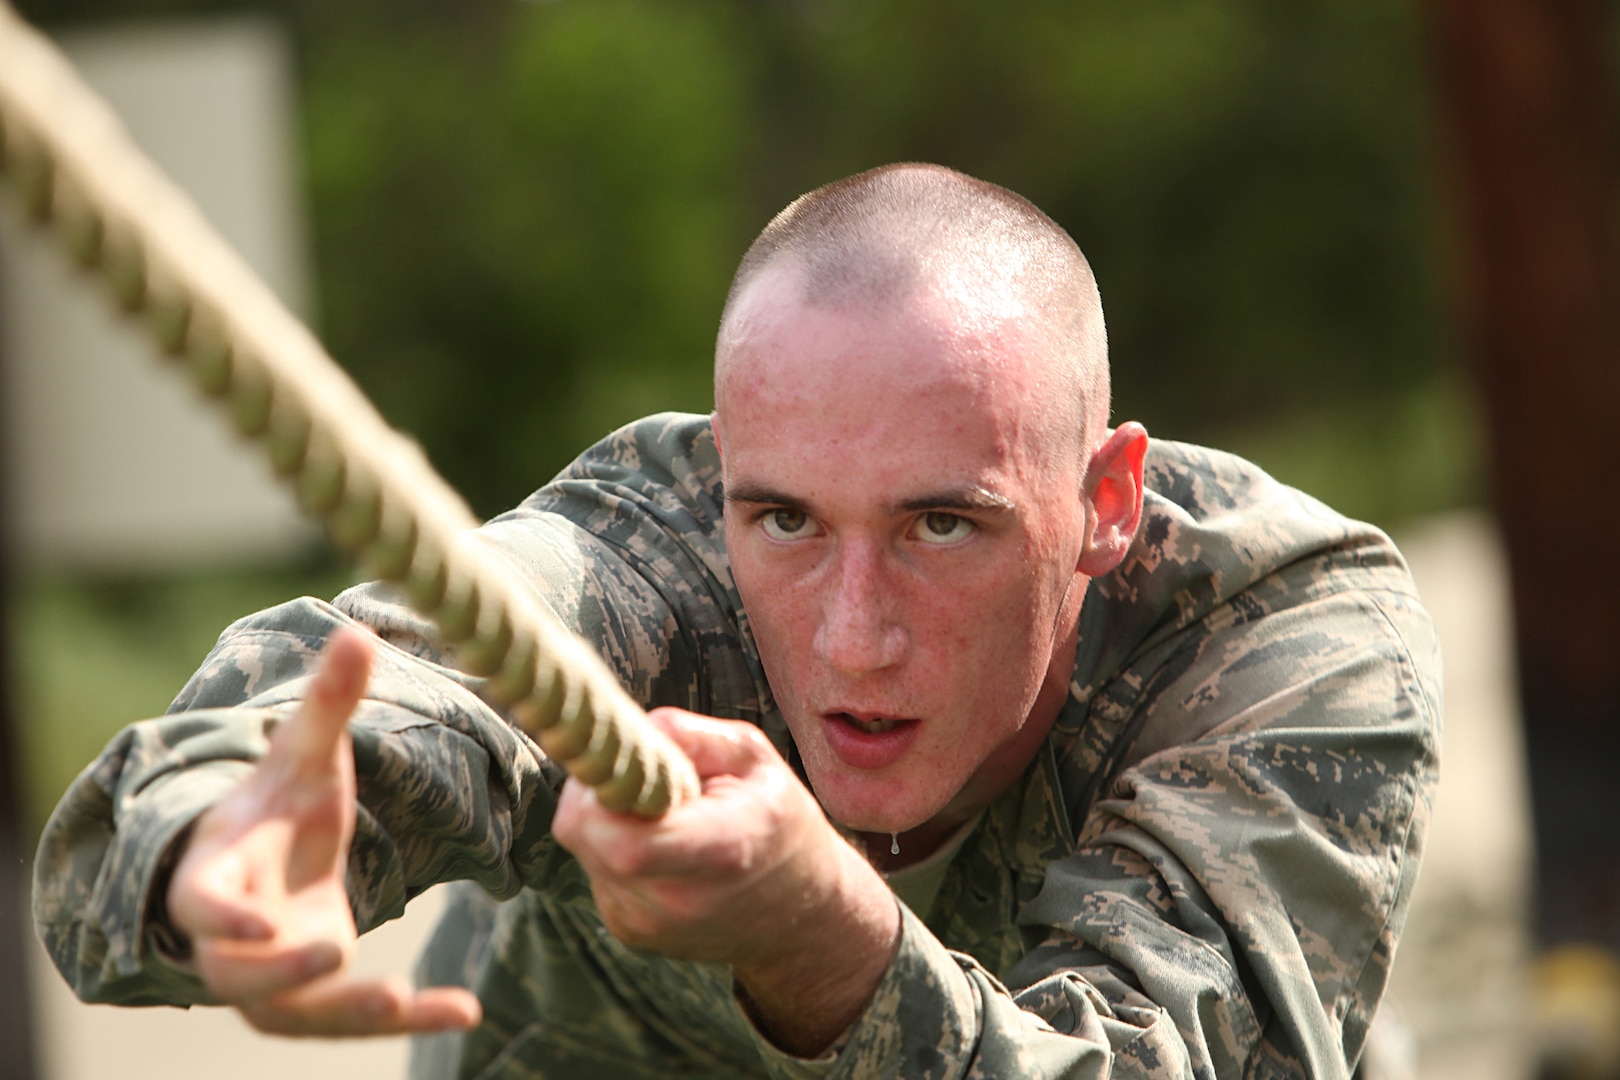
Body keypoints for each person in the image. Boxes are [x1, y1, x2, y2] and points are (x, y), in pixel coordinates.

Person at [33, 163, 1440, 1079]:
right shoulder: (654, 554)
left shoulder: (1284, 639)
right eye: (782, 522)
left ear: (1107, 500)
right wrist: (216, 833)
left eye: (941, 525)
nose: (851, 639)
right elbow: (433, 666)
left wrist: (824, 941)